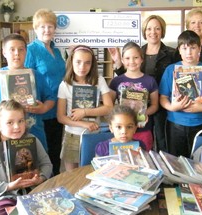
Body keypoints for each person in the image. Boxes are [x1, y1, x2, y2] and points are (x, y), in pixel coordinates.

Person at [0, 100, 52, 215]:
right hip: (6, 197)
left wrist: (41, 178)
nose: (17, 127)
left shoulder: (32, 140)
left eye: (21, 121)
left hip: (35, 191)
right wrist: (8, 186)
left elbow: (47, 164)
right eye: (9, 122)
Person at [0, 34, 55, 151]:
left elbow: (51, 98)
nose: (17, 53)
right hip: (5, 134)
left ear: (26, 52)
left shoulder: (35, 75)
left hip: (34, 131)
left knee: (37, 164)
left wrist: (43, 108)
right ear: (4, 53)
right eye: (12, 49)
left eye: (21, 49)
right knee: (5, 164)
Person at [109, 15, 176, 152]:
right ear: (144, 31)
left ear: (162, 31)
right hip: (134, 110)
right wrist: (117, 63)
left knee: (160, 141)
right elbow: (127, 77)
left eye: (157, 28)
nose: (153, 32)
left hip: (162, 102)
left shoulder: (172, 53)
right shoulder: (138, 51)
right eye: (149, 28)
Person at [159, 30, 202, 158]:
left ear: (199, 49)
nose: (189, 52)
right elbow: (163, 98)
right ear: (179, 50)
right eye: (185, 48)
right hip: (175, 124)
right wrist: (172, 107)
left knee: (201, 162)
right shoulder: (171, 70)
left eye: (193, 48)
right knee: (176, 161)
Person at [57, 44, 113, 172]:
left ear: (92, 64)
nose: (82, 67)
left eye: (87, 63)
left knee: (91, 171)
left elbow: (109, 107)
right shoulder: (65, 85)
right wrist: (83, 123)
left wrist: (85, 112)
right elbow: (61, 117)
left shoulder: (99, 80)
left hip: (93, 134)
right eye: (78, 62)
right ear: (71, 61)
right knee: (71, 175)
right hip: (72, 135)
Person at [25, 8, 66, 175]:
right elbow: (26, 79)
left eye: (50, 26)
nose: (47, 30)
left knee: (55, 151)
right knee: (42, 152)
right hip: (40, 109)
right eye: (42, 27)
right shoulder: (30, 50)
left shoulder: (57, 50)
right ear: (35, 29)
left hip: (59, 107)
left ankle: (54, 182)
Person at [109, 42, 159, 151]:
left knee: (142, 161)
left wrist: (144, 112)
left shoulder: (150, 81)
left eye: (135, 57)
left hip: (143, 129)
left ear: (142, 59)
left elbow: (155, 105)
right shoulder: (116, 81)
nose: (131, 61)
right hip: (122, 132)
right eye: (127, 58)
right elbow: (109, 106)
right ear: (122, 60)